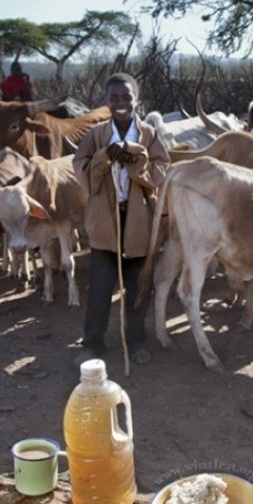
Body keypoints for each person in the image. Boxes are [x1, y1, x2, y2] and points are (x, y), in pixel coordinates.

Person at [72, 72, 169, 366]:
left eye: (126, 97)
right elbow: (81, 170)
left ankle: (136, 341)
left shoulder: (149, 135)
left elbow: (162, 170)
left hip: (139, 223)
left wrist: (137, 164)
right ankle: (93, 344)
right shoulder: (96, 135)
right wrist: (104, 158)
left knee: (139, 290)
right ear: (107, 102)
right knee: (99, 290)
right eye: (114, 98)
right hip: (105, 224)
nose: (121, 103)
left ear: (137, 100)